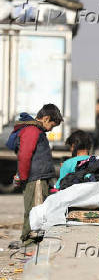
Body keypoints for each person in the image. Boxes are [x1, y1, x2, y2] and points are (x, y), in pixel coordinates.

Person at [6, 104, 63, 243]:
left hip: (37, 176)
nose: (50, 130)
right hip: (36, 178)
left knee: (35, 209)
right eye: (52, 125)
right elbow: (25, 155)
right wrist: (22, 176)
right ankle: (29, 241)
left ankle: (30, 239)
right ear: (45, 118)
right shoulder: (32, 131)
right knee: (35, 210)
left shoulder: (35, 130)